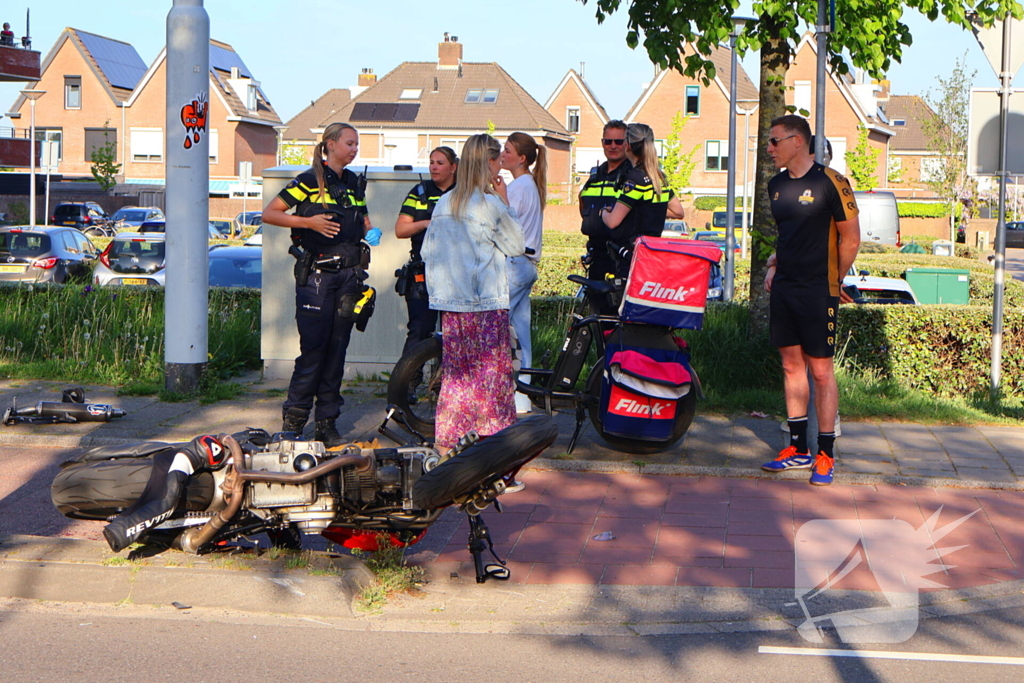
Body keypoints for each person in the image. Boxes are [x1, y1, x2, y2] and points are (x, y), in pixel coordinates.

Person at [263, 122, 382, 447]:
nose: (354, 148)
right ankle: (294, 422)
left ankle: (327, 423)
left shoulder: (355, 183)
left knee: (337, 351)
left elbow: (363, 216)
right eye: (349, 143)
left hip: (349, 277)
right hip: (317, 276)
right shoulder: (307, 181)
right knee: (314, 351)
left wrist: (371, 230)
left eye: (357, 144)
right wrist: (307, 221)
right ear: (330, 144)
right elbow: (270, 213)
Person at [759, 115, 860, 486]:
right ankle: (798, 449)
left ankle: (825, 454)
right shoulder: (775, 185)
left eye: (774, 142)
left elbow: (850, 239)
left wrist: (835, 278)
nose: (769, 149)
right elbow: (790, 237)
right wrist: (773, 265)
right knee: (790, 367)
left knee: (820, 371)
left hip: (819, 290)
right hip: (785, 287)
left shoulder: (832, 182)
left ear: (797, 141)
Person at [421, 134, 525, 459]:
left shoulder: (444, 203)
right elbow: (517, 245)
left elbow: (428, 251)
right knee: (492, 380)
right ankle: (495, 459)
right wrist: (505, 201)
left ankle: (446, 447)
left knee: (457, 378)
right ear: (490, 164)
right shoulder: (491, 205)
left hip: (451, 304)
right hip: (485, 303)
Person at [394, 146, 458, 356]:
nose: (434, 167)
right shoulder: (419, 191)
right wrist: (426, 223)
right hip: (424, 272)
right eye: (431, 162)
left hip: (456, 272)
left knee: (454, 334)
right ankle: (408, 385)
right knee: (419, 330)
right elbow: (401, 230)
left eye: (440, 163)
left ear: (453, 167)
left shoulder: (462, 193)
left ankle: (444, 386)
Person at [600, 122, 685, 275]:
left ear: (627, 146)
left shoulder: (635, 179)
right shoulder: (659, 177)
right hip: (652, 253)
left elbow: (613, 222)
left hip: (631, 256)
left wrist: (604, 212)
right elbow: (678, 212)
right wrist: (647, 210)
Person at [500, 132, 546, 414]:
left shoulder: (518, 187)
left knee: (494, 326)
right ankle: (523, 397)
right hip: (527, 265)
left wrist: (499, 197)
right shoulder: (530, 185)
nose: (502, 154)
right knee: (521, 333)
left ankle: (496, 390)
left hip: (515, 263)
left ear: (522, 158)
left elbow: (504, 223)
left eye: (507, 150)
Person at [578, 119, 632, 313]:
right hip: (597, 254)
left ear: (627, 144)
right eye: (608, 142)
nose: (613, 146)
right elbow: (582, 202)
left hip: (621, 257)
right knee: (596, 313)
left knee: (619, 315)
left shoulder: (631, 176)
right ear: (602, 143)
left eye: (618, 142)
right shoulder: (595, 176)